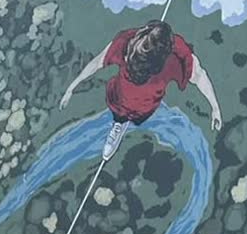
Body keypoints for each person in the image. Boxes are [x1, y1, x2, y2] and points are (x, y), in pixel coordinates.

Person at [58, 19, 223, 160]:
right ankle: (119, 123)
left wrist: (215, 107)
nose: (126, 57)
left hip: (145, 105)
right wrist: (72, 87)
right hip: (119, 97)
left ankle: (123, 123)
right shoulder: (125, 40)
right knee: (119, 115)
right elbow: (98, 61)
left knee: (137, 116)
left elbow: (199, 76)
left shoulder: (177, 56)